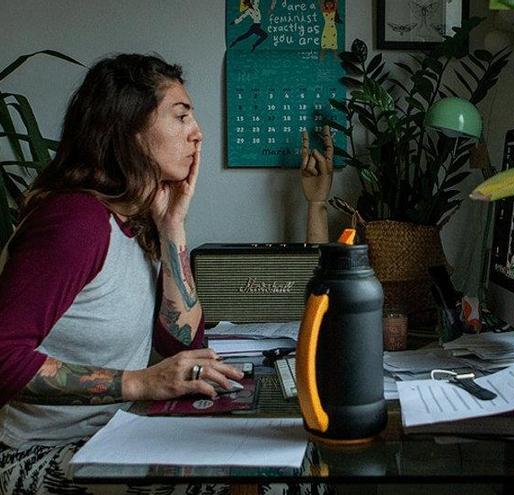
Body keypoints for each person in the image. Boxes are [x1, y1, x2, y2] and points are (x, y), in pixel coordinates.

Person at [0, 53, 302, 495]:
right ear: (128, 128)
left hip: (113, 433)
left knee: (288, 461)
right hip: (36, 453)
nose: (197, 133)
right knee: (268, 481)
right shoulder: (74, 223)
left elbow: (183, 345)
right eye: (180, 117)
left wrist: (173, 228)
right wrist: (140, 383)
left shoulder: (133, 223)